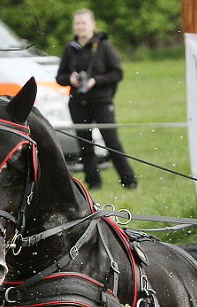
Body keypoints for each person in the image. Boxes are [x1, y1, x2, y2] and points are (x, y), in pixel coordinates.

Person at [56, 8, 137, 190]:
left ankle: (129, 181)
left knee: (111, 141)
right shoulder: (70, 49)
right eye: (77, 23)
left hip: (101, 100)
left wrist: (95, 81)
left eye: (84, 23)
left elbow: (117, 73)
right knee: (85, 143)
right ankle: (93, 183)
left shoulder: (103, 46)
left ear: (93, 25)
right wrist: (70, 79)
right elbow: (59, 77)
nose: (81, 27)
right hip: (78, 102)